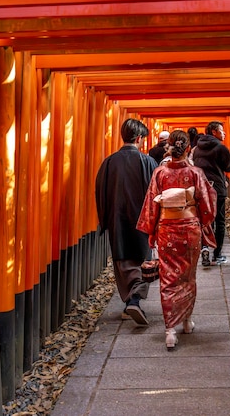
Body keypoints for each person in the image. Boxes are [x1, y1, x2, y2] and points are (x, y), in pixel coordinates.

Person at [137, 130, 217, 350]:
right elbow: (208, 205)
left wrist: (151, 232)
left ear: (168, 147)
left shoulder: (160, 173)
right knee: (187, 276)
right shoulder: (195, 173)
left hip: (166, 229)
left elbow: (151, 207)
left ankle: (170, 331)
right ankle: (187, 322)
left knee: (168, 277)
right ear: (188, 148)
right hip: (189, 229)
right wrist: (203, 222)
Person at [95, 118, 158, 325]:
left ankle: (130, 301)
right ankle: (135, 299)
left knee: (122, 261)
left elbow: (100, 192)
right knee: (143, 260)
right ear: (139, 138)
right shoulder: (147, 161)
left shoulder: (109, 162)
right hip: (141, 219)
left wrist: (104, 219)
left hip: (117, 218)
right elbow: (156, 192)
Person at [192, 121, 230, 266]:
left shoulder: (197, 148)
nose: (224, 133)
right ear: (214, 132)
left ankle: (204, 247)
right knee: (220, 221)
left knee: (205, 220)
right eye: (221, 130)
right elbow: (229, 165)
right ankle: (217, 254)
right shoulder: (219, 147)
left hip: (202, 188)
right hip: (217, 187)